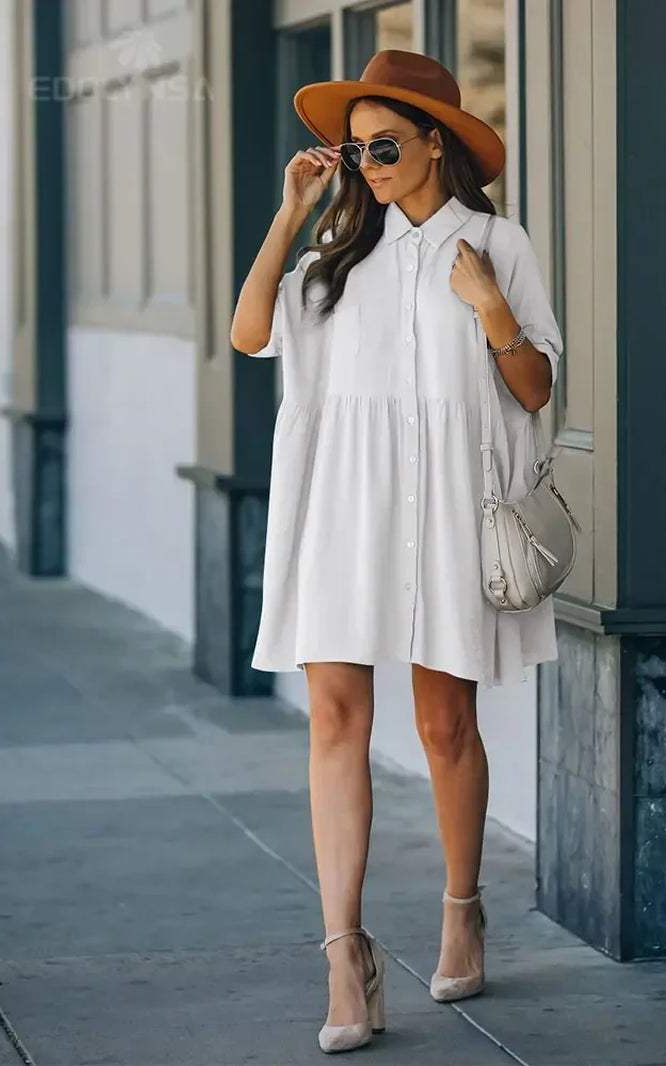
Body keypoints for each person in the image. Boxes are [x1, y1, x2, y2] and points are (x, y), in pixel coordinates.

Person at [230, 49, 563, 1055]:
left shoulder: (494, 242)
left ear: (435, 145)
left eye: (384, 144)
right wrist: (291, 212)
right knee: (333, 714)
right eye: (357, 146)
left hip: (446, 506)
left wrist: (492, 310)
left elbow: (536, 387)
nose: (367, 162)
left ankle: (461, 906)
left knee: (442, 718)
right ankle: (345, 955)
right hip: (343, 504)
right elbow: (250, 334)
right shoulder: (338, 249)